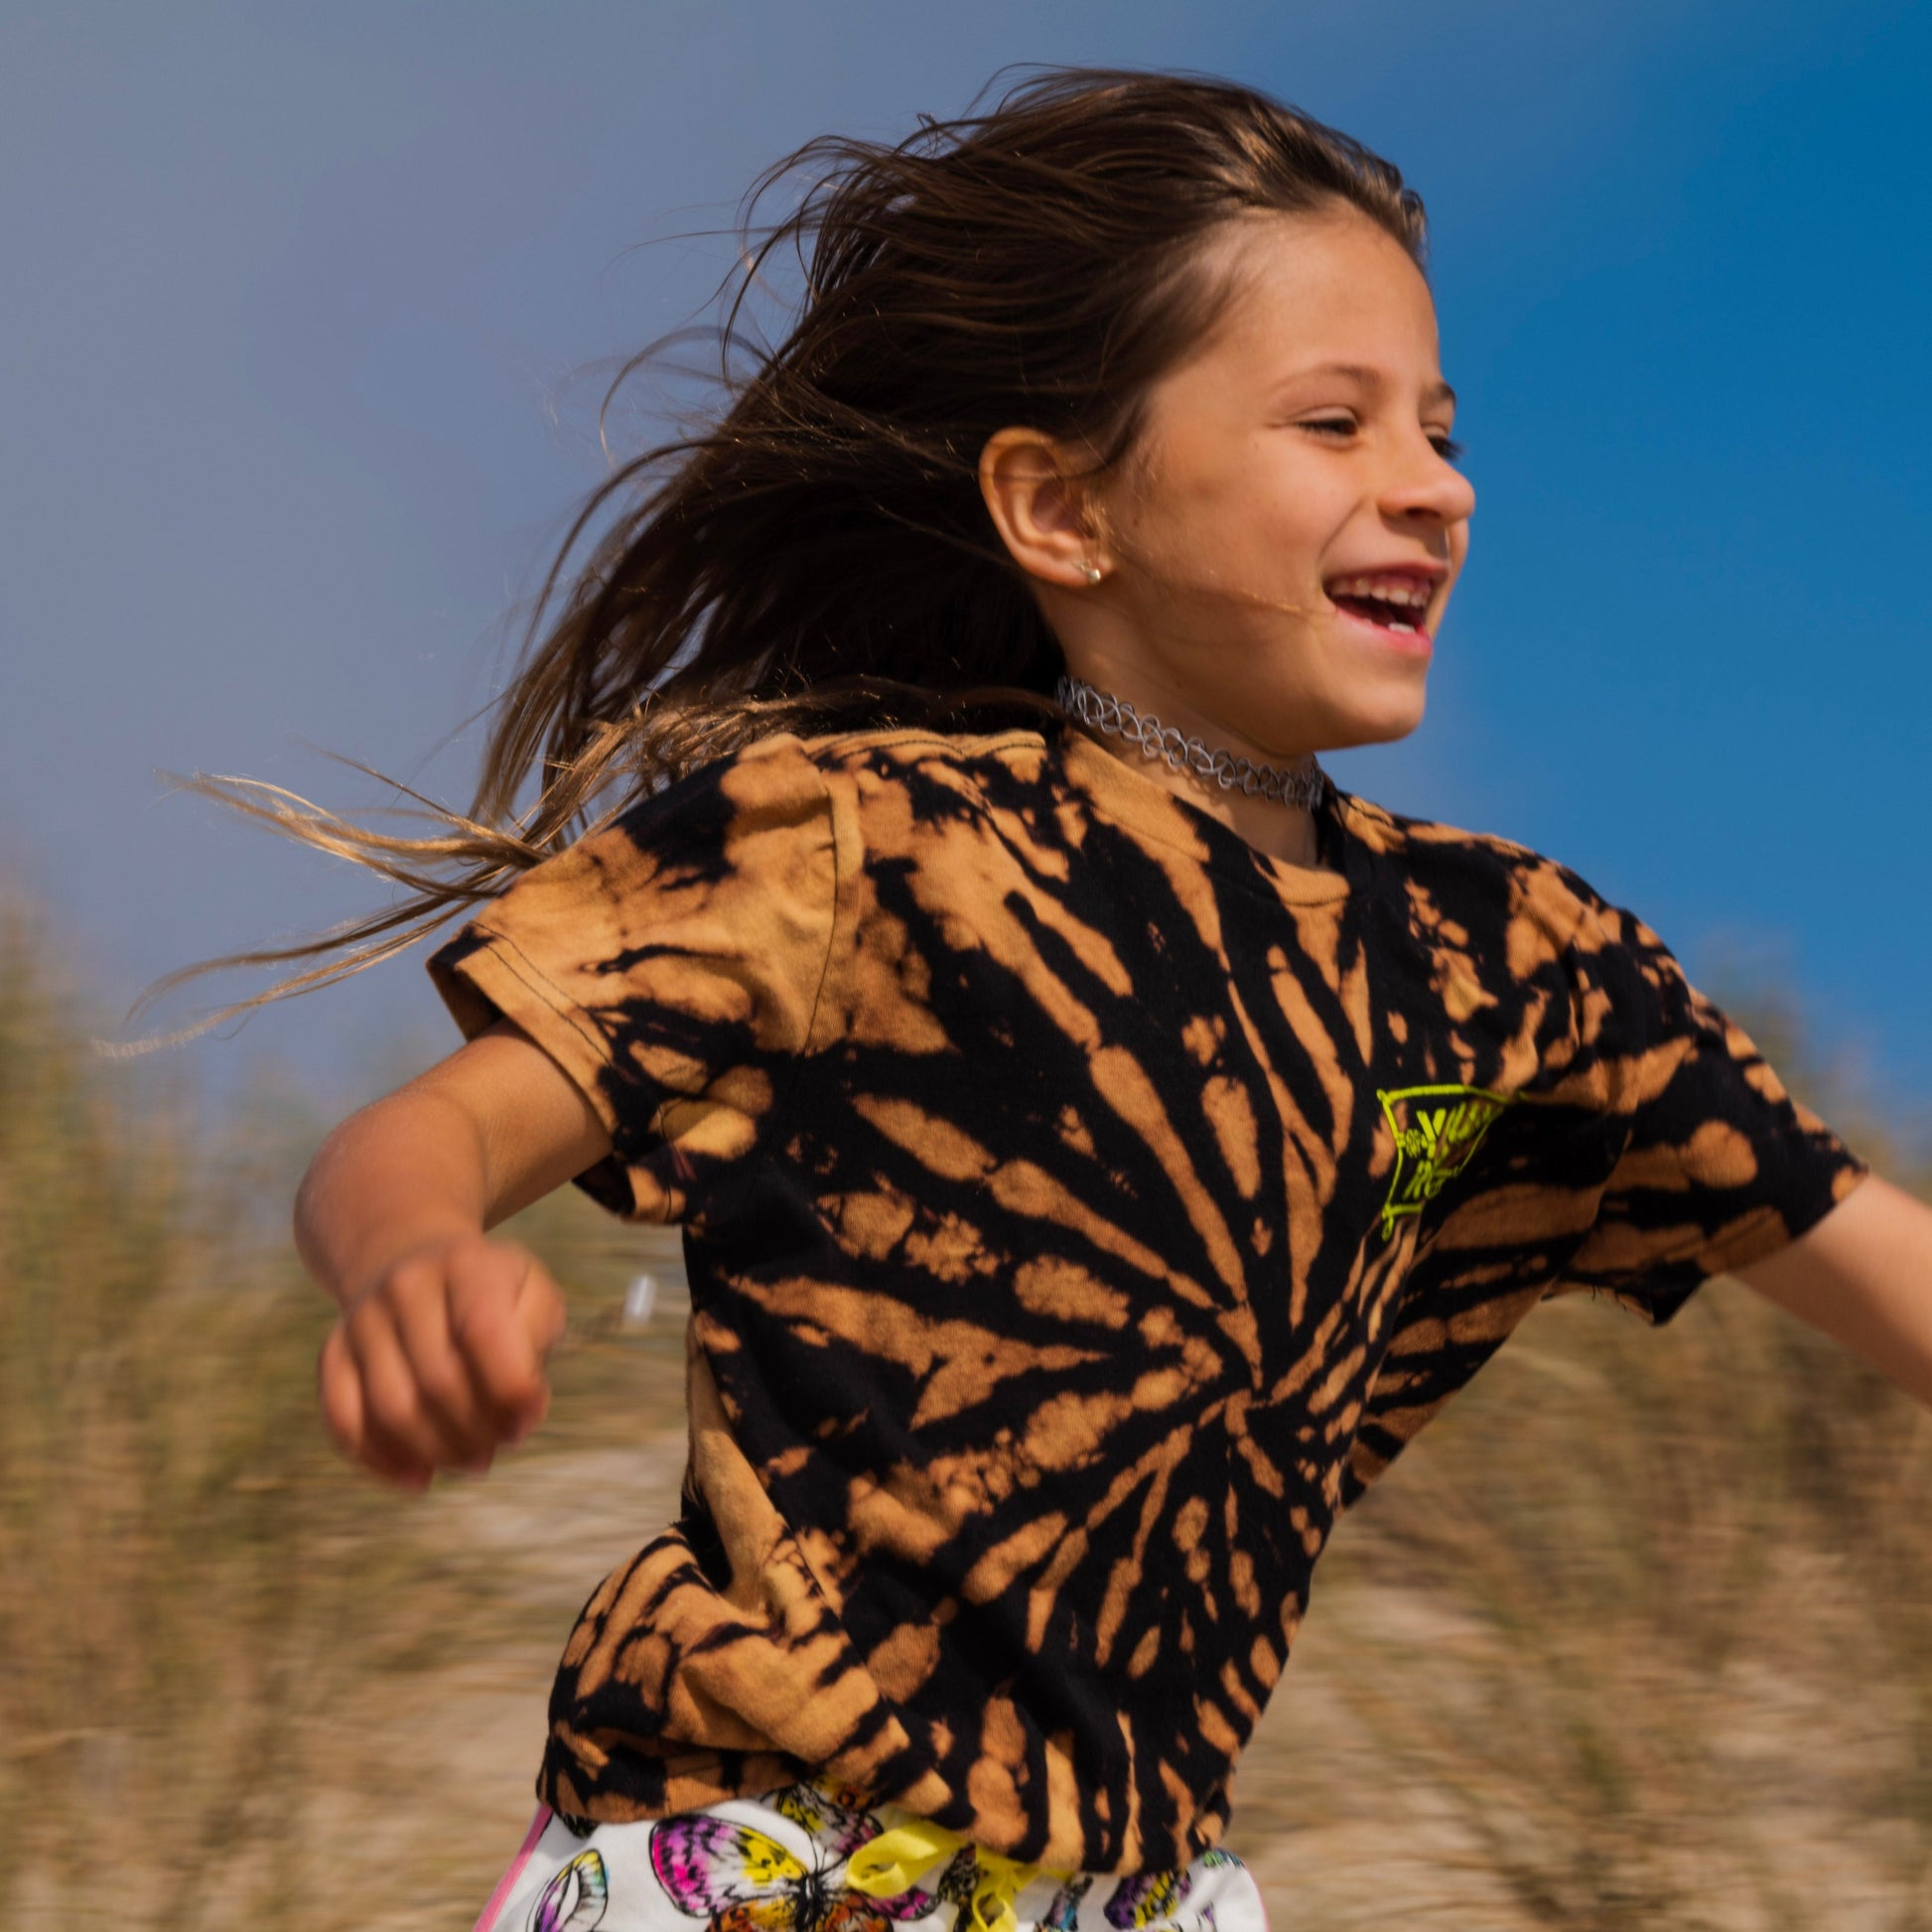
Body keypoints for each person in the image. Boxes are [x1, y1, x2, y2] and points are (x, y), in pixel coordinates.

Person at [177, 66, 1932, 1932]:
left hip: (1141, 1886)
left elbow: (1868, 1253)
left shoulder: (1518, 968)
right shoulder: (859, 841)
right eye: (1330, 423)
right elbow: (413, 1143)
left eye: (1436, 427)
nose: (1427, 484)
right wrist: (413, 1258)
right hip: (757, 1853)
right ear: (1059, 508)